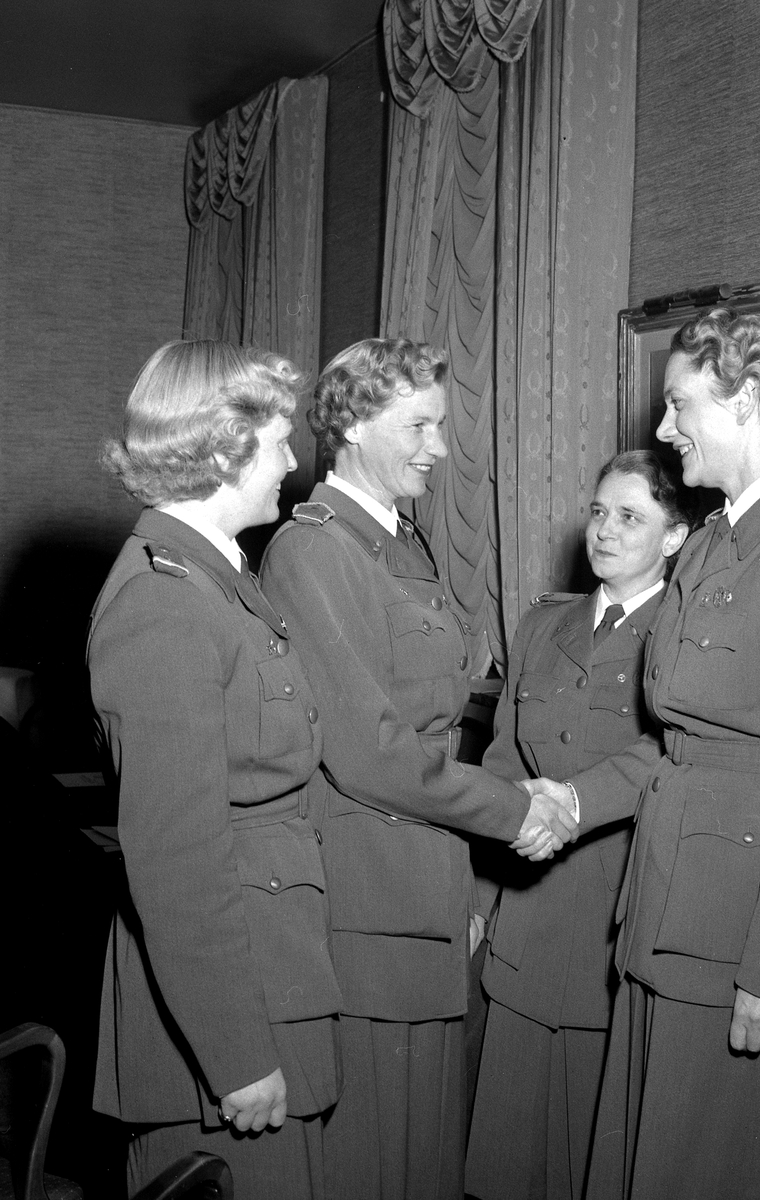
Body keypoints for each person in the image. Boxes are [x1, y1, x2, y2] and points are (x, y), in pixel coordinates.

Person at [528, 308, 760, 1198]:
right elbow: (674, 741)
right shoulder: (717, 541)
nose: (662, 427)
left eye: (679, 403)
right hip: (663, 913)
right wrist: (573, 801)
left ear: (746, 399)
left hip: (735, 939)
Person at [258, 337, 578, 1200]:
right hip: (367, 895)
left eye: (440, 424)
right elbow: (372, 751)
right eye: (418, 426)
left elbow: (430, 731)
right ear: (352, 425)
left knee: (423, 1158)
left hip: (424, 885)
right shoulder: (315, 551)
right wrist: (513, 810)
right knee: (377, 1159)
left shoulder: (400, 541)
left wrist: (465, 880)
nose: (438, 446)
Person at [88, 340, 343, 1199]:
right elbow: (177, 861)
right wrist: (236, 1056)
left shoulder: (213, 577)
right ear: (227, 450)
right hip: (224, 1022)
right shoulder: (164, 603)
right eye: (277, 441)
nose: (293, 462)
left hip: (265, 971)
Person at [465, 450, 691, 1200]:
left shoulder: (687, 637)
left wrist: (569, 803)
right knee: (503, 1156)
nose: (605, 530)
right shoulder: (542, 625)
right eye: (598, 512)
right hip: (524, 915)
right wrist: (478, 899)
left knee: (590, 1159)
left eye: (630, 516)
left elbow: (669, 757)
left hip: (615, 925)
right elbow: (500, 762)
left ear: (674, 537)